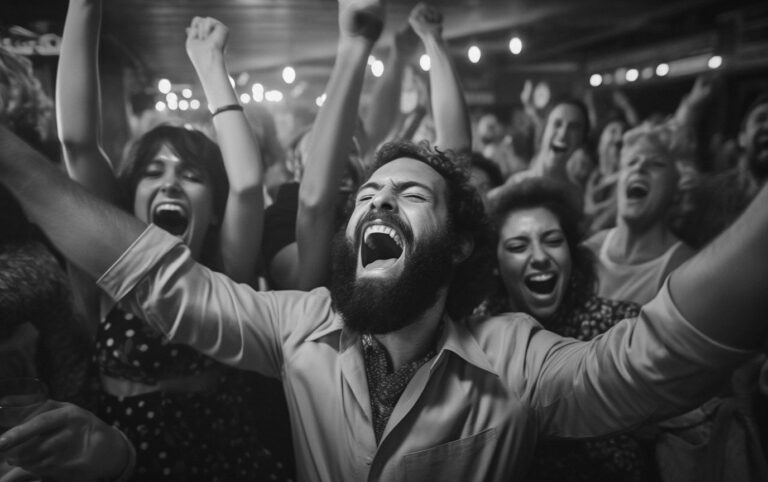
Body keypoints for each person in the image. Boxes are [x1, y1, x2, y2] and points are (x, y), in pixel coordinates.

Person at [4, 93, 768, 481]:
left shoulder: (515, 356)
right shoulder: (300, 323)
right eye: (367, 195)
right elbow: (158, 278)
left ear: (461, 241)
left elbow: (656, 356)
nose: (374, 201)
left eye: (408, 195)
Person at [56, 2, 289, 479]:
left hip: (222, 459)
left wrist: (211, 65)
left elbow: (245, 184)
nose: (169, 184)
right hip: (122, 458)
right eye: (152, 172)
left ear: (214, 210)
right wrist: (84, 7)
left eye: (190, 174)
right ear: (129, 196)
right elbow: (77, 142)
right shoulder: (110, 269)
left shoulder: (225, 268)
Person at [484, 178, 656, 481]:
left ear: (572, 254)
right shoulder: (475, 339)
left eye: (552, 240)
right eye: (518, 246)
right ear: (495, 265)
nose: (539, 257)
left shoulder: (618, 324)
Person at [584, 121, 696, 305]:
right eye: (631, 162)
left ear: (678, 188)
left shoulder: (684, 269)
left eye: (657, 164)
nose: (640, 166)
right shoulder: (588, 252)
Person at [488, 98, 591, 204]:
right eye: (557, 124)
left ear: (582, 140)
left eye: (573, 127)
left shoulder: (575, 195)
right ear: (544, 130)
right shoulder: (518, 184)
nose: (563, 134)